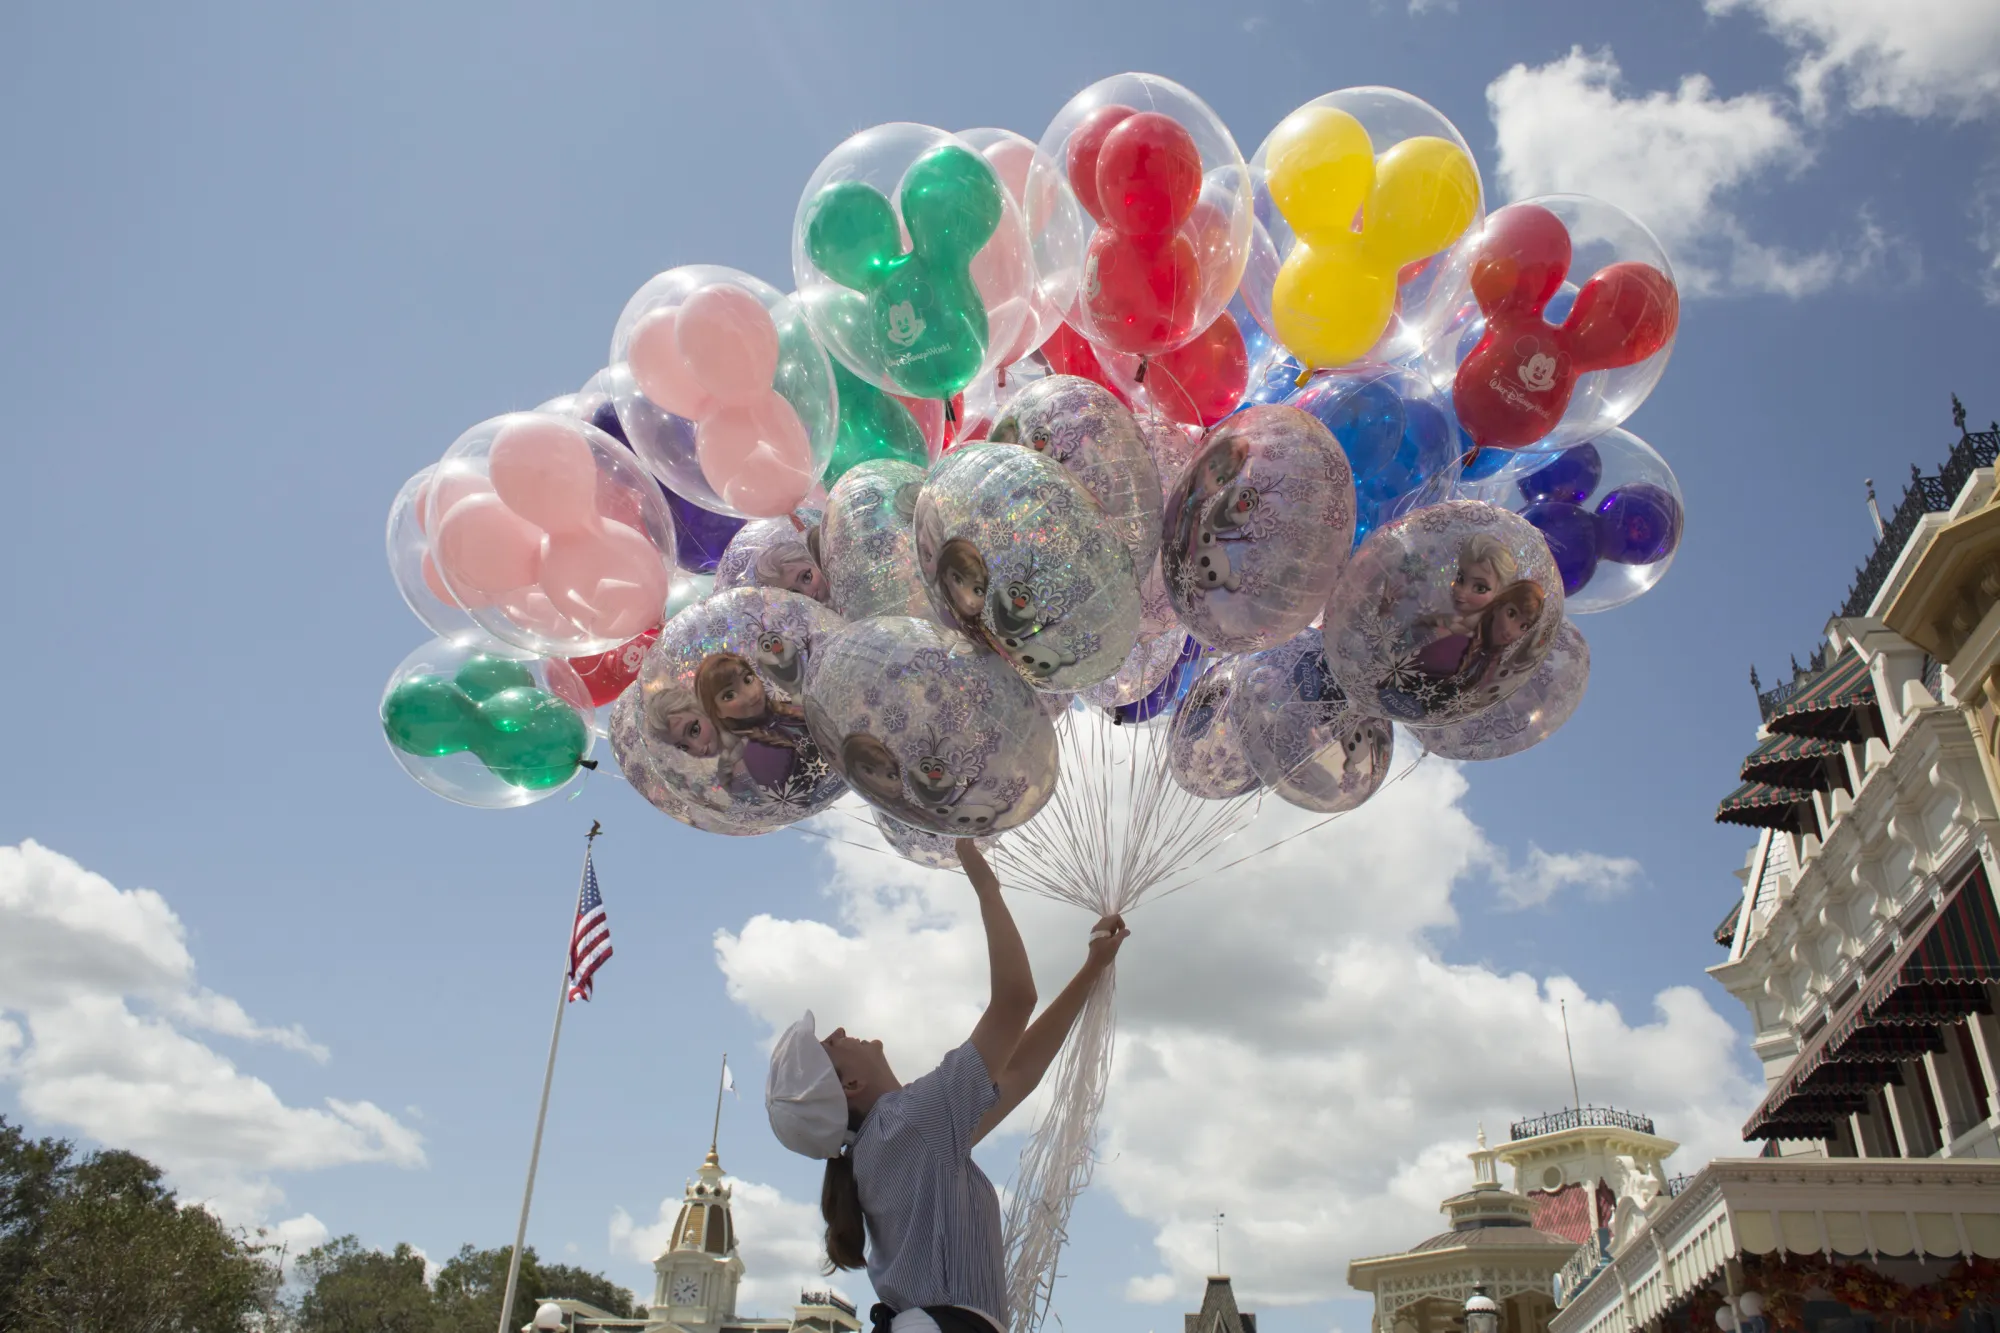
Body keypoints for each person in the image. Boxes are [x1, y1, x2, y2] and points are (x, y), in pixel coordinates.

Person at [765, 841, 1128, 1333]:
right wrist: (985, 886)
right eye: (829, 1044)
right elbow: (1016, 1001)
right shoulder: (907, 1125)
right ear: (850, 1083)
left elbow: (1018, 1071)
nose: (839, 1033)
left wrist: (1092, 969)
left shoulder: (902, 1138)